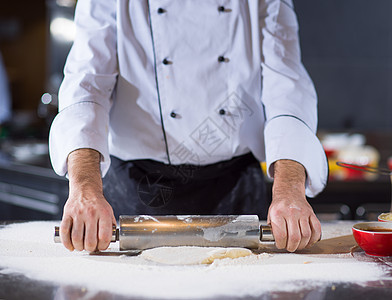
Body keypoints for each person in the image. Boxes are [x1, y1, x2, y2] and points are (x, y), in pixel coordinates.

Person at [49, 0, 328, 253]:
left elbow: (287, 88)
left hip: (235, 186)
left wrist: (289, 190)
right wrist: (85, 187)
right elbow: (88, 84)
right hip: (138, 188)